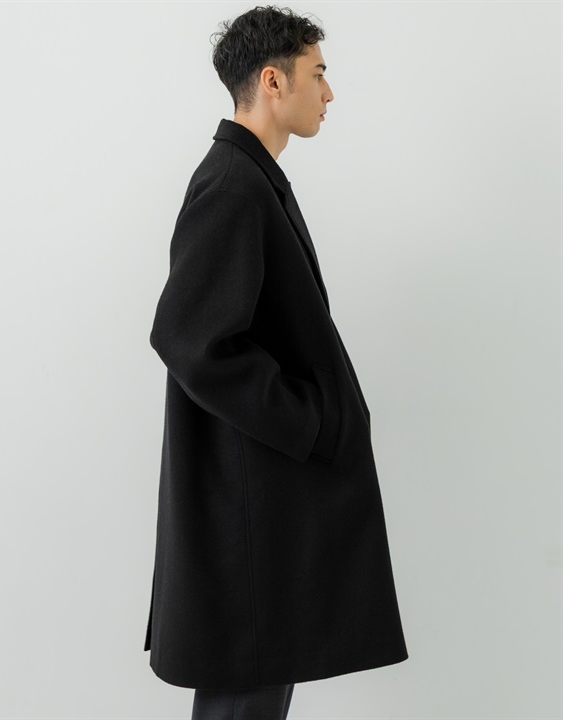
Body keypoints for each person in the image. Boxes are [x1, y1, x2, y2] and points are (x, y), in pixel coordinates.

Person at [143, 6, 409, 720]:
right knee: (245, 696)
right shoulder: (233, 185)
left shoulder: (251, 178)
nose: (329, 92)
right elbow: (189, 337)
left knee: (255, 690)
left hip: (262, 505)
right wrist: (310, 422)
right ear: (272, 80)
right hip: (249, 512)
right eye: (318, 73)